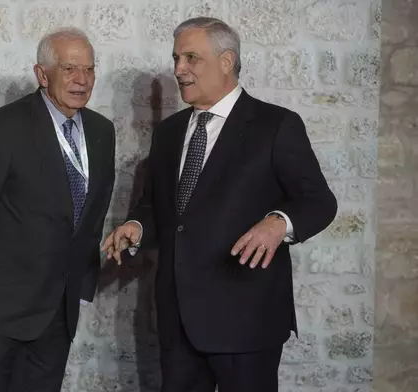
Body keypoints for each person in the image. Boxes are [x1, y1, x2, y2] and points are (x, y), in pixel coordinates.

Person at [102, 17, 337, 392]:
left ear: (227, 61)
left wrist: (278, 223)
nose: (179, 69)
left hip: (246, 321)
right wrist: (138, 227)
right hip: (178, 321)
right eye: (176, 58)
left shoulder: (276, 125)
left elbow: (319, 200)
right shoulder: (169, 132)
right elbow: (157, 206)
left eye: (191, 58)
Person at [0, 27, 115, 392]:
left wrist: (80, 286)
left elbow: (92, 214)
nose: (82, 80)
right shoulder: (2, 128)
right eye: (69, 69)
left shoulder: (101, 130)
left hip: (56, 317)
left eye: (90, 70)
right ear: (42, 74)